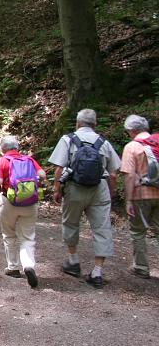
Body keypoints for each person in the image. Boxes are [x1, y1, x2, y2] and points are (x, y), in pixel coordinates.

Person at [49, 108, 121, 289]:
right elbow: (113, 174)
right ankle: (97, 272)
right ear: (95, 124)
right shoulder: (104, 143)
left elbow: (59, 168)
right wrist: (110, 194)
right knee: (102, 228)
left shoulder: (68, 139)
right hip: (99, 188)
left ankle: (73, 261)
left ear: (77, 123)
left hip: (74, 188)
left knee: (71, 223)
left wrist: (57, 189)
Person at [0, 136, 46, 289]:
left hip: (9, 201)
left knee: (9, 234)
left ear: (3, 148)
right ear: (17, 147)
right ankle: (28, 265)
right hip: (30, 202)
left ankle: (13, 267)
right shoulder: (28, 159)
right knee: (28, 236)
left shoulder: (2, 161)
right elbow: (42, 175)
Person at [120, 114, 159, 279]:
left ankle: (141, 267)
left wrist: (128, 200)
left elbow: (129, 176)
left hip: (140, 195)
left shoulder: (132, 147)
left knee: (138, 232)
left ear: (132, 131)